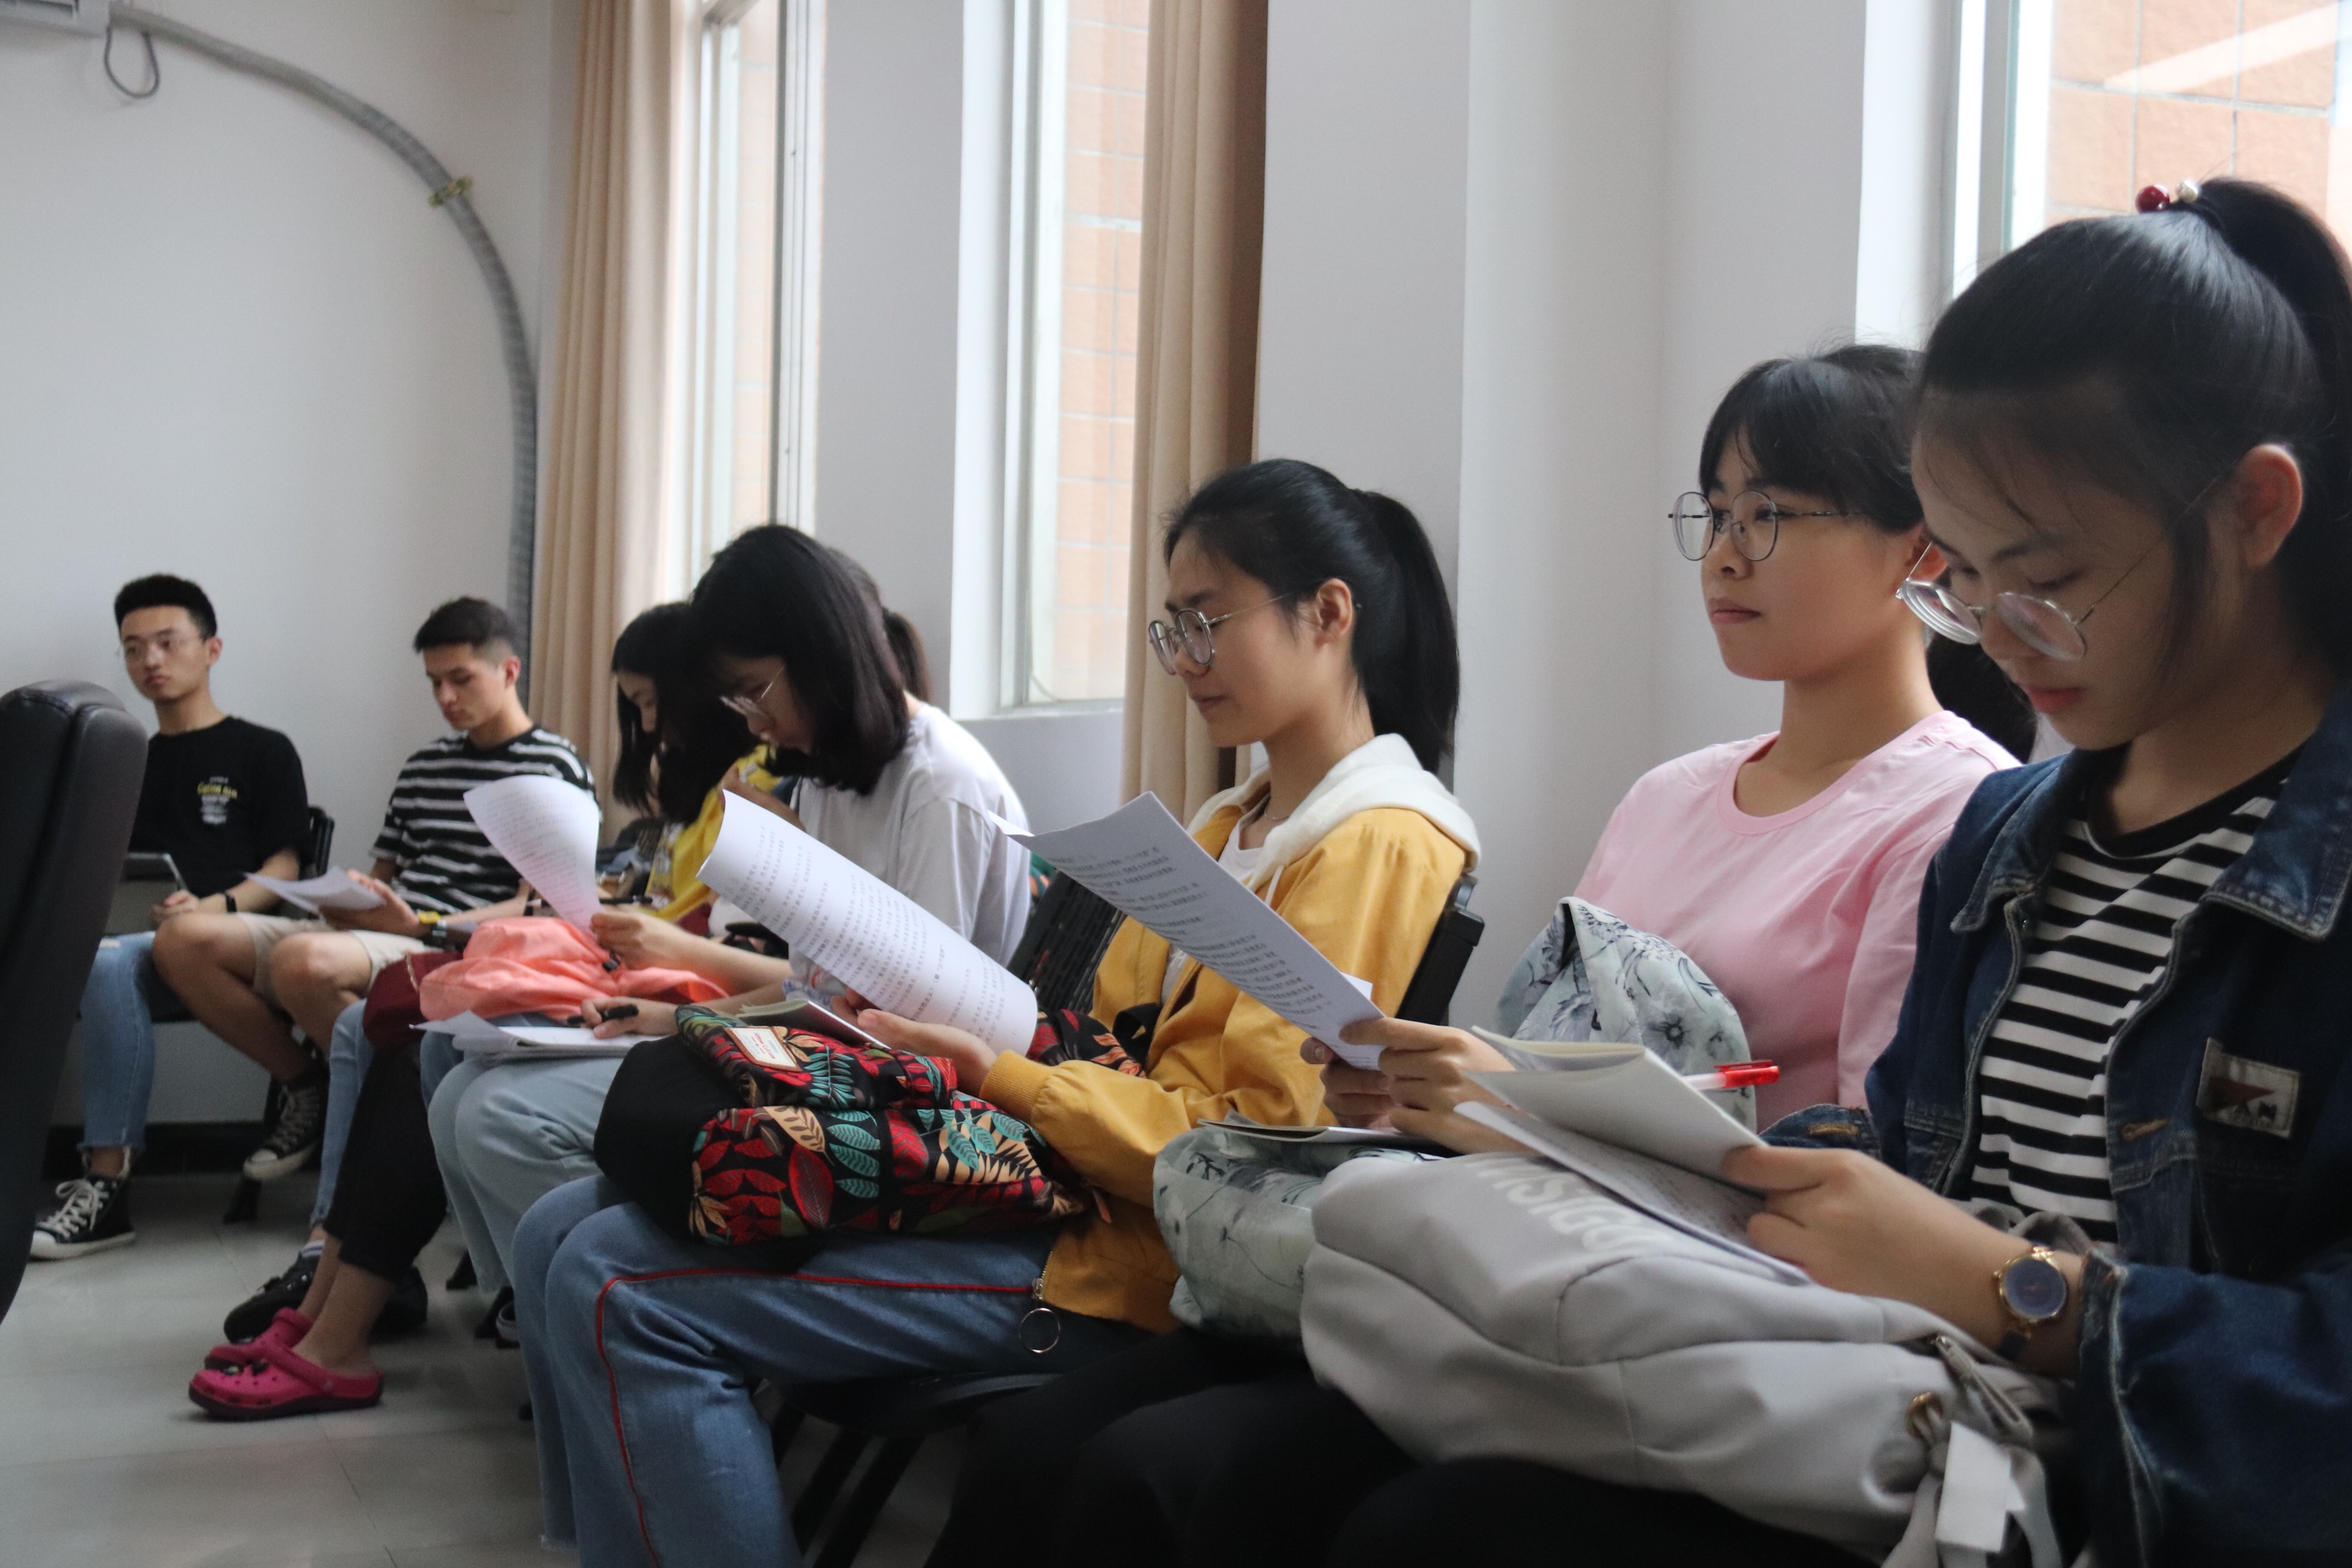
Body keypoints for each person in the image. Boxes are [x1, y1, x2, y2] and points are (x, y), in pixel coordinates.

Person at [1087, 178, 2352, 1568]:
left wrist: (2024, 1290)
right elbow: (1896, 1170)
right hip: (1923, 1419)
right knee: (1281, 1483)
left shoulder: (2107, 837)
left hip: (2092, 1484)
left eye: (2044, 577)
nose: (1998, 632)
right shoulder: (2010, 842)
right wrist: (1540, 1114)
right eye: (1967, 581)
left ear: (2252, 511)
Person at [924, 346, 2019, 1568]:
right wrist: (1430, 1089)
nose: (1723, 554)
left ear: (1923, 550)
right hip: (1534, 1262)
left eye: (1769, 515)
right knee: (1077, 1457)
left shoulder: (1952, 813)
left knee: (1225, 1488)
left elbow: (1880, 1173)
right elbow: (1556, 1047)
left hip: (1705, 1310)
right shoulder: (1669, 795)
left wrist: (1518, 1108)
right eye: (1713, 513)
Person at [511, 459, 1478, 1566]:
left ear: (1329, 614)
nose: (1185, 661)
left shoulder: (1381, 839)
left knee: (621, 1283)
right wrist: (968, 1031)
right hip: (1051, 1179)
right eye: (1171, 630)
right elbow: (1103, 1036)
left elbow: (1249, 1145)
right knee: (573, 1221)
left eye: (1207, 622)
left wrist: (995, 1068)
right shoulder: (1229, 822)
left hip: (1131, 1255)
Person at [187, 596, 593, 1337]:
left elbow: (539, 906)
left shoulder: (553, 765)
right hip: (385, 930)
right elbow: (384, 874)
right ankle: (321, 1092)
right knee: (189, 940)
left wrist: (423, 924)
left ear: (509, 671)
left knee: (309, 966)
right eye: (434, 683)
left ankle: (338, 1225)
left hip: (450, 939)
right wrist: (350, 898)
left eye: (461, 679)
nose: (446, 698)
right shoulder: (425, 764)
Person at [31, 576, 312, 1259]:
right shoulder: (124, 761)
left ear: (212, 648)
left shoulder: (263, 749)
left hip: (236, 940)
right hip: (139, 948)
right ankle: (105, 1190)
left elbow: (287, 867)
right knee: (103, 960)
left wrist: (213, 908)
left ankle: (304, 1086)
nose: (150, 660)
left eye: (166, 642)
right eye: (133, 648)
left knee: (117, 960)